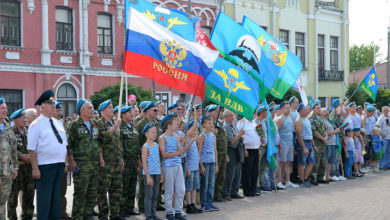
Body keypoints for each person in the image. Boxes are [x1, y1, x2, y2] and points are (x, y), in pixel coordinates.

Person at [27, 90, 68, 219]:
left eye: (53, 103)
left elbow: (64, 144)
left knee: (56, 199)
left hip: (59, 165)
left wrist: (65, 162)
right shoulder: (36, 125)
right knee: (44, 200)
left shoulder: (58, 123)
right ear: (42, 106)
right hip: (45, 166)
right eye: (50, 103)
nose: (53, 106)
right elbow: (32, 149)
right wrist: (35, 168)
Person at [67, 99, 103, 220]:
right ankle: (77, 216)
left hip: (94, 164)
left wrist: (101, 158)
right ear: (81, 111)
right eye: (89, 108)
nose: (92, 110)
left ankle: (88, 216)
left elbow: (97, 142)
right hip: (81, 165)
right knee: (81, 193)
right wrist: (71, 161)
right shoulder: (74, 124)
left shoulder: (95, 123)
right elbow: (69, 144)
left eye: (92, 107)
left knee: (92, 193)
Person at [96, 99, 124, 220]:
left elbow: (119, 142)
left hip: (116, 162)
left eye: (112, 107)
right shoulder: (99, 123)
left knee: (116, 190)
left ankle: (115, 214)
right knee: (102, 191)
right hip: (105, 163)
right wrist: (114, 127)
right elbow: (103, 138)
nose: (113, 110)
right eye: (110, 108)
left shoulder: (114, 122)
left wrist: (121, 158)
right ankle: (103, 215)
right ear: (103, 111)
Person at [135, 101, 163, 212]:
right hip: (145, 158)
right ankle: (143, 206)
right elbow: (137, 143)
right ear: (147, 111)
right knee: (145, 185)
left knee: (156, 186)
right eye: (154, 110)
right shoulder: (140, 124)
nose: (156, 112)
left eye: (157, 110)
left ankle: (155, 205)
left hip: (157, 159)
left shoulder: (158, 123)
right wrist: (139, 159)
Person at [159, 112, 186, 220]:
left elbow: (180, 151)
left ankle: (178, 211)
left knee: (181, 189)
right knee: (169, 190)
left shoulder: (176, 136)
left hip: (178, 164)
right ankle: (169, 212)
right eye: (175, 123)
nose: (177, 125)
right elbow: (164, 155)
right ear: (168, 125)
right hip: (168, 166)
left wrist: (182, 147)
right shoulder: (162, 138)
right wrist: (178, 152)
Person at [8, 109, 31, 220]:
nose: (25, 120)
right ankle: (12, 217)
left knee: (29, 194)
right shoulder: (10, 131)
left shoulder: (28, 131)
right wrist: (21, 155)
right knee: (13, 196)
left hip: (29, 168)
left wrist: (31, 156)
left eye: (26, 118)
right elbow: (8, 148)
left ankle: (27, 216)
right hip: (16, 167)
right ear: (15, 120)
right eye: (22, 118)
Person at [120, 106, 141, 217]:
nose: (131, 113)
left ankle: (130, 207)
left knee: (132, 185)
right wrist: (121, 159)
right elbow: (119, 144)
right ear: (123, 115)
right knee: (124, 185)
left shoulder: (133, 126)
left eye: (131, 111)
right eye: (128, 112)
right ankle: (122, 209)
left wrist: (138, 158)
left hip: (133, 160)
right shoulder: (121, 127)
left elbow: (136, 144)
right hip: (125, 161)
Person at [141, 122, 163, 220]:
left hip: (157, 173)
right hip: (149, 174)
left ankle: (154, 214)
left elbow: (159, 160)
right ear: (146, 134)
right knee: (149, 195)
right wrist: (148, 176)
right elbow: (144, 163)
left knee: (155, 195)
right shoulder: (145, 147)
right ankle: (148, 215)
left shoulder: (157, 145)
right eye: (152, 132)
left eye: (155, 132)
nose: (155, 134)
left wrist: (161, 173)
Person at [206, 105, 228, 202]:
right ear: (210, 113)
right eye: (215, 111)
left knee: (222, 175)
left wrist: (226, 153)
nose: (217, 113)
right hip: (215, 152)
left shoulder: (219, 123)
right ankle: (212, 194)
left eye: (217, 111)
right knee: (214, 174)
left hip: (223, 152)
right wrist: (212, 132)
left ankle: (218, 194)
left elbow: (224, 138)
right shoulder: (209, 125)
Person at [237, 110, 261, 196]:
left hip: (256, 149)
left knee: (255, 171)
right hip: (248, 149)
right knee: (247, 171)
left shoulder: (255, 122)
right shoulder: (241, 123)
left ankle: (253, 190)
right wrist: (244, 149)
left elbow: (259, 135)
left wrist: (261, 139)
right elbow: (239, 137)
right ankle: (247, 191)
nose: (253, 114)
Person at [198, 115, 219, 212]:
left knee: (211, 183)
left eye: (212, 123)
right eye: (209, 123)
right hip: (205, 162)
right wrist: (201, 165)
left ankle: (210, 202)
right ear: (204, 124)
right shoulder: (201, 136)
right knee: (205, 184)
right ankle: (204, 203)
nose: (211, 125)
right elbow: (199, 151)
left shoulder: (213, 136)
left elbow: (215, 150)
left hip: (212, 162)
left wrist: (216, 164)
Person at [223, 110, 245, 200]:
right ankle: (227, 192)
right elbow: (231, 141)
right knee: (230, 173)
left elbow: (236, 138)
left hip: (237, 150)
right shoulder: (226, 126)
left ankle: (234, 191)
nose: (233, 118)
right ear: (226, 117)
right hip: (231, 150)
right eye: (231, 116)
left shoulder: (233, 125)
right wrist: (239, 135)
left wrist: (240, 137)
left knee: (237, 172)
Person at [54, 101, 71, 220]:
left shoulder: (62, 125)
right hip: (52, 162)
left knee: (62, 189)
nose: (60, 111)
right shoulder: (48, 124)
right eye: (57, 109)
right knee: (53, 190)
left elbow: (66, 145)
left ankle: (62, 212)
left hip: (62, 161)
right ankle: (54, 213)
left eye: (60, 109)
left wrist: (67, 162)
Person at [275, 101, 298, 188]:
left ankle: (288, 181)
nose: (289, 110)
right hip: (283, 143)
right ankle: (279, 181)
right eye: (287, 108)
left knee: (288, 163)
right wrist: (280, 146)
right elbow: (276, 133)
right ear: (282, 109)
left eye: (289, 108)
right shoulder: (280, 119)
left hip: (290, 142)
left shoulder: (289, 118)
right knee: (281, 162)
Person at [295, 104, 317, 187]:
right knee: (302, 163)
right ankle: (301, 180)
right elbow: (299, 136)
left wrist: (313, 145)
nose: (308, 111)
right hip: (303, 142)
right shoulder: (298, 121)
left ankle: (305, 179)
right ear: (300, 110)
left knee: (311, 162)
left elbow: (310, 134)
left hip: (309, 142)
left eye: (308, 110)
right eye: (305, 110)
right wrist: (304, 147)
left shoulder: (307, 119)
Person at [184, 121, 202, 214]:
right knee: (189, 188)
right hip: (190, 168)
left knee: (194, 187)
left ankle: (193, 204)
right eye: (193, 129)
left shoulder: (194, 140)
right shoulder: (187, 139)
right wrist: (187, 169)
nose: (195, 131)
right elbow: (185, 153)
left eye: (196, 129)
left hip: (195, 167)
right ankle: (189, 205)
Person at [309, 102, 328, 185]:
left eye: (319, 108)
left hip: (323, 143)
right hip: (317, 142)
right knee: (316, 162)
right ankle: (313, 179)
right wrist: (322, 138)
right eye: (317, 108)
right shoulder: (311, 118)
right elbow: (313, 131)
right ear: (313, 109)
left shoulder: (320, 118)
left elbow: (325, 128)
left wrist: (326, 137)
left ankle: (320, 177)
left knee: (323, 162)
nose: (319, 109)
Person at [322, 108, 339, 183]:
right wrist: (335, 131)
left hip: (333, 143)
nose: (327, 112)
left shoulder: (329, 121)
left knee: (330, 161)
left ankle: (328, 176)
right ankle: (324, 176)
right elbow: (326, 132)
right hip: (327, 143)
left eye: (326, 111)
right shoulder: (322, 121)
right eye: (324, 111)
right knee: (326, 160)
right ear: (321, 113)